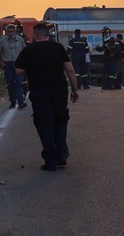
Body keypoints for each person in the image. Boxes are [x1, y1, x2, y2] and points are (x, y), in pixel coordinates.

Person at [15, 22, 79, 171]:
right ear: (47, 34)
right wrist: (75, 89)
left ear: (36, 35)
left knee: (45, 124)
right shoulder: (58, 47)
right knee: (60, 120)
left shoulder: (29, 49)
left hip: (40, 92)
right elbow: (69, 69)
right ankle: (62, 155)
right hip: (59, 91)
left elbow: (18, 70)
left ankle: (50, 160)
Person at [0, 23, 28, 109]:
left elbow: (25, 52)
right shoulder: (2, 41)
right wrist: (1, 63)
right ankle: (13, 102)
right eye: (8, 31)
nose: (10, 33)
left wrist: (24, 63)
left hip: (18, 64)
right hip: (8, 64)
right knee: (10, 84)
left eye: (11, 31)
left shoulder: (20, 40)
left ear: (15, 31)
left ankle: (20, 102)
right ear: (6, 32)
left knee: (19, 83)